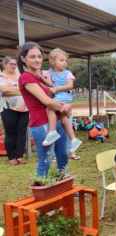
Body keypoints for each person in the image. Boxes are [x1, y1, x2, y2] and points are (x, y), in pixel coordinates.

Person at [18, 42, 71, 176]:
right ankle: (41, 190)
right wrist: (64, 108)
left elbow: (59, 95)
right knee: (46, 160)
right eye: (32, 57)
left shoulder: (41, 77)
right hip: (41, 124)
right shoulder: (26, 77)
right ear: (24, 59)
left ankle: (63, 183)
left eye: (39, 56)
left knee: (63, 156)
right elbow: (46, 101)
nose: (37, 60)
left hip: (56, 121)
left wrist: (66, 105)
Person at [40, 48, 82, 153]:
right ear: (53, 61)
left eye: (66, 61)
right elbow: (49, 84)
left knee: (49, 108)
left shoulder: (67, 73)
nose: (64, 63)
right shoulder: (49, 72)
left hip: (64, 96)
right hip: (57, 97)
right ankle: (74, 139)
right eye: (61, 60)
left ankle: (52, 131)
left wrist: (56, 88)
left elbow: (70, 85)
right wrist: (41, 77)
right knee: (64, 119)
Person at [0, 56, 29, 165]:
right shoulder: (1, 76)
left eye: (14, 64)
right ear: (5, 64)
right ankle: (11, 157)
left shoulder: (20, 76)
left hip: (24, 108)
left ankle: (20, 156)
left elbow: (27, 87)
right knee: (10, 133)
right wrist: (22, 91)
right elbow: (5, 90)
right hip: (8, 108)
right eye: (11, 64)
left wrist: (14, 90)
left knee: (22, 132)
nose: (13, 66)